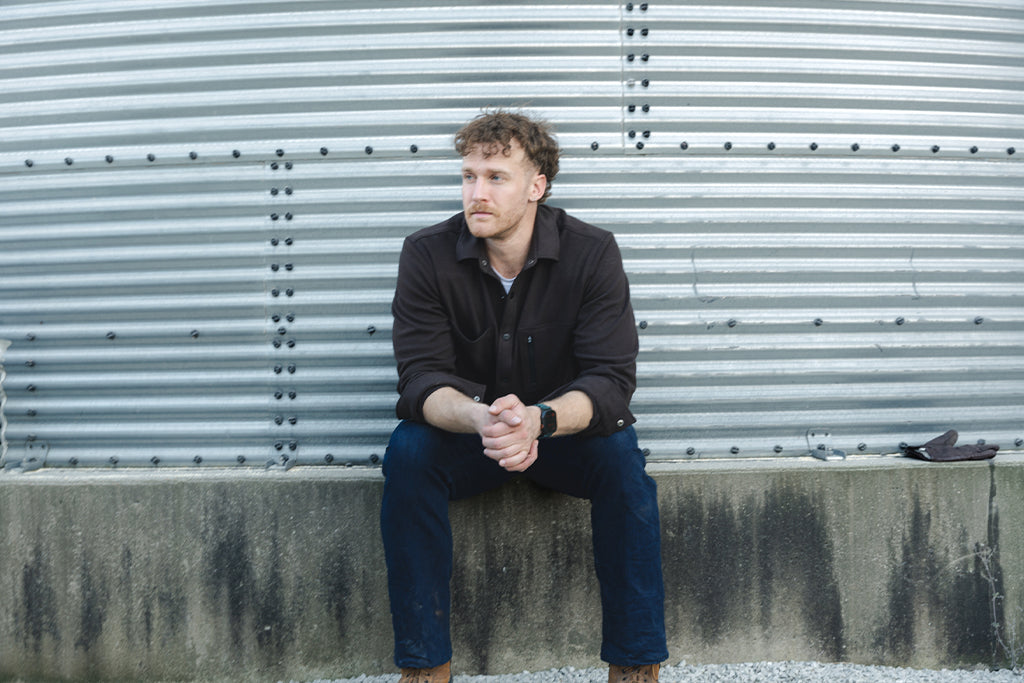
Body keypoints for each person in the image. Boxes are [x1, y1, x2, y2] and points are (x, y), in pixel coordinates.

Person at [381, 110, 667, 683]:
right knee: (408, 454)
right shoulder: (427, 254)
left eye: (495, 177)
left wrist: (540, 419)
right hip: (474, 438)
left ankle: (635, 667)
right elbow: (419, 379)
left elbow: (611, 381)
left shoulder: (592, 253)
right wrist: (479, 417)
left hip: (560, 434)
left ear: (537, 186)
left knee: (624, 463)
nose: (476, 193)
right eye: (468, 176)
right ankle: (425, 668)